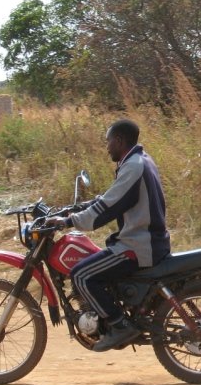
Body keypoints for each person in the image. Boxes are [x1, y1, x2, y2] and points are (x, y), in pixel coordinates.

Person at [47, 119, 171, 352]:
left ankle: (119, 325)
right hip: (146, 239)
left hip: (140, 245)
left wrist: (68, 221)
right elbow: (110, 198)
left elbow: (107, 208)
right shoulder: (138, 160)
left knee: (81, 274)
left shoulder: (133, 166)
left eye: (108, 142)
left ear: (120, 141)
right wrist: (74, 209)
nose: (107, 147)